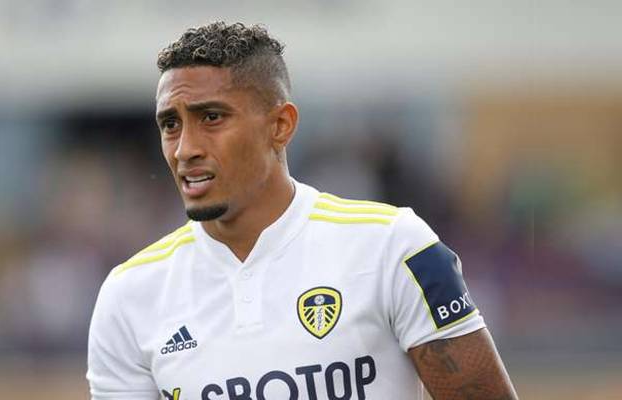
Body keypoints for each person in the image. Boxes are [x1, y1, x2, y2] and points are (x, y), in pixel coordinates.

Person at [87, 21, 518, 400]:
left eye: (212, 118)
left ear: (281, 125)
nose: (186, 149)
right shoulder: (128, 296)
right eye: (171, 124)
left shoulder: (393, 248)